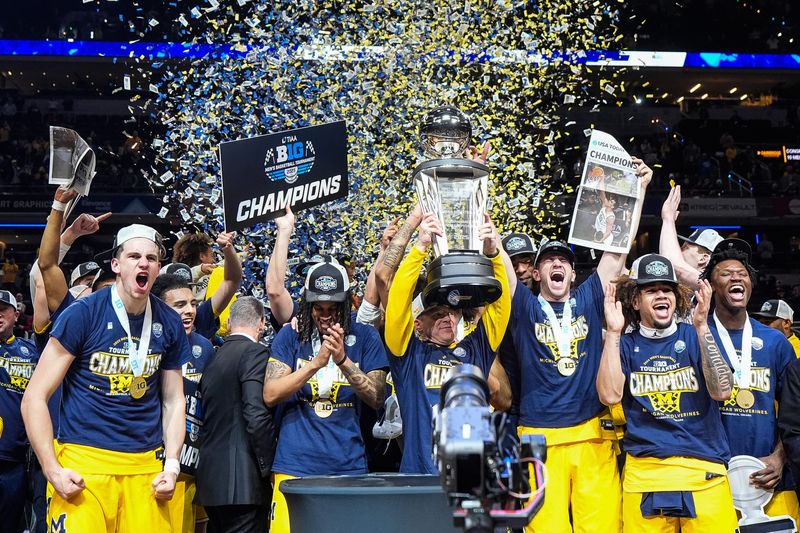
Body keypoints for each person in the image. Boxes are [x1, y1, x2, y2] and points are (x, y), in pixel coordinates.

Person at [510, 157, 651, 533]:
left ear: (574, 273)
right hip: (537, 437)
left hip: (591, 434)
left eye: (565, 261)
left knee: (603, 527)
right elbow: (500, 266)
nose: (558, 264)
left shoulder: (588, 297)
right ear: (537, 273)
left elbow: (617, 253)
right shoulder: (523, 305)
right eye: (549, 261)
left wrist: (637, 191)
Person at [21, 224, 191, 532]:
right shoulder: (84, 313)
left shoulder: (168, 322)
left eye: (151, 258)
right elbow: (34, 396)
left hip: (146, 469)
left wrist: (173, 463)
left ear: (158, 268)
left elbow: (174, 399)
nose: (143, 263)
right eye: (134, 256)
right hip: (85, 463)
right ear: (116, 264)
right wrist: (52, 469)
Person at [597, 254, 738, 531]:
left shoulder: (695, 334)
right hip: (646, 474)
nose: (661, 295)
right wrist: (613, 333)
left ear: (676, 298)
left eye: (667, 289)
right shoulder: (623, 345)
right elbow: (609, 396)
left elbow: (722, 391)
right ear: (636, 302)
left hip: (704, 470)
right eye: (651, 290)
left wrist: (701, 327)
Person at [383, 212, 515, 474]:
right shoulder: (408, 355)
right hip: (421, 477)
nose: (447, 318)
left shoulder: (475, 350)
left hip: (470, 479)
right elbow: (397, 304)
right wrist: (420, 247)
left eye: (450, 312)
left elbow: (500, 308)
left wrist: (493, 254)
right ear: (417, 322)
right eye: (436, 313)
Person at [263, 259, 389, 533]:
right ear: (308, 305)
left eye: (333, 309)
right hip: (294, 464)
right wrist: (314, 365)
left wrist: (343, 359)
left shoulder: (365, 337)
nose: (325, 315)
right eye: (318, 308)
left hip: (348, 465)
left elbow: (378, 397)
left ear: (345, 306)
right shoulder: (291, 337)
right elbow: (271, 393)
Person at [703, 238, 799, 521]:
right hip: (712, 477)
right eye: (725, 273)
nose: (736, 277)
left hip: (769, 477)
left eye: (742, 274)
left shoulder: (775, 342)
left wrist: (780, 458)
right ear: (710, 285)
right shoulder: (696, 335)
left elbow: (796, 415)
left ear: (751, 284)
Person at [196, 297, 275, 533]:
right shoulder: (256, 353)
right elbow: (255, 414)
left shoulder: (214, 357)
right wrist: (269, 467)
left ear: (229, 322)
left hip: (211, 480)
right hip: (243, 482)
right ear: (262, 323)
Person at [152, 274, 217, 533]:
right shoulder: (146, 344)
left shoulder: (204, 347)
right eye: (180, 305)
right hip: (154, 465)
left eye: (192, 303)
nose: (189, 310)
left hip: (191, 465)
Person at [0, 290, 38, 533]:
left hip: (16, 459)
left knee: (10, 525)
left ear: (16, 314)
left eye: (3, 309)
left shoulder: (31, 352)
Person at [659, 185, 724, 288]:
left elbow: (673, 265)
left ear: (703, 258)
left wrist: (668, 219)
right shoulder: (685, 286)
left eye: (685, 248)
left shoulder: (711, 284)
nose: (678, 250)